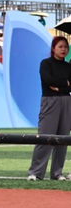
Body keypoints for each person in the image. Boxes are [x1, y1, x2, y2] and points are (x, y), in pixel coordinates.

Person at [27, 36, 71, 181]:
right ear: (53, 48)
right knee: (45, 136)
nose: (63, 49)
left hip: (67, 101)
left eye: (65, 47)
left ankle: (57, 173)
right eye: (60, 46)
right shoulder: (46, 63)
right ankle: (36, 172)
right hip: (50, 101)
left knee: (63, 138)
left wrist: (60, 87)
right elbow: (48, 80)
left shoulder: (68, 66)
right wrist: (65, 83)